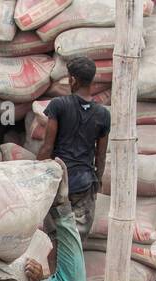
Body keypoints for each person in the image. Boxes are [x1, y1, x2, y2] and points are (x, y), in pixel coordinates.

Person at [37, 56, 111, 251]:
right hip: (84, 184)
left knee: (55, 240)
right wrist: (98, 178)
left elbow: (47, 146)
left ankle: (56, 278)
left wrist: (35, 173)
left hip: (59, 181)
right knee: (75, 244)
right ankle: (72, 278)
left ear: (73, 80)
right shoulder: (103, 114)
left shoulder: (59, 105)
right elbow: (100, 154)